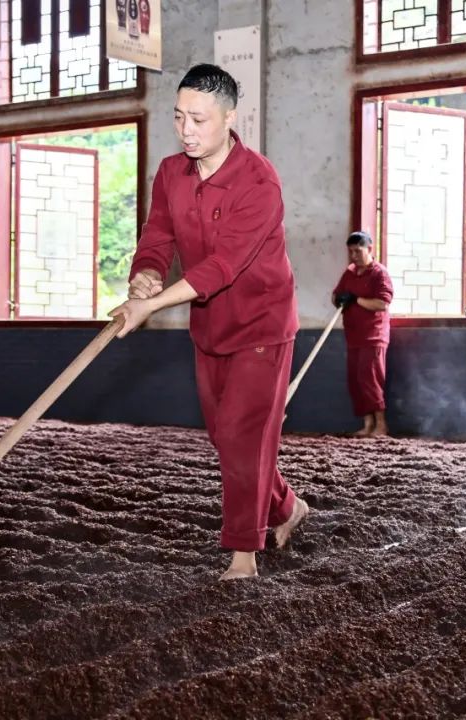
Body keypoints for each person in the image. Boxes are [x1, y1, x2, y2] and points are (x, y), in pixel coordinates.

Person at [110, 63, 309, 581]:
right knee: (226, 437)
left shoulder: (259, 181)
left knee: (242, 435)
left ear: (229, 117)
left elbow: (222, 267)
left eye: (198, 119)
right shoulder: (170, 173)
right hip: (210, 326)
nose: (186, 130)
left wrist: (152, 307)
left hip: (262, 325)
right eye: (178, 117)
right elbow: (158, 235)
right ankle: (287, 506)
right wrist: (145, 276)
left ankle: (244, 554)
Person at [332, 230, 393, 437]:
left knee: (370, 378)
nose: (354, 256)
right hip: (353, 336)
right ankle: (368, 425)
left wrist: (356, 299)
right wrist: (339, 299)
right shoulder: (349, 273)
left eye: (358, 251)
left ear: (369, 249)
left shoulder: (379, 273)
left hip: (374, 336)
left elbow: (382, 303)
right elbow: (336, 296)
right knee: (355, 380)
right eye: (351, 251)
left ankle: (381, 425)